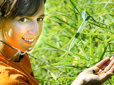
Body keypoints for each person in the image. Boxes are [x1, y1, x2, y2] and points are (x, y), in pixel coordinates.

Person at [0, 0, 113, 85]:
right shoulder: (9, 80)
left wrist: (80, 82)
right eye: (23, 19)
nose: (35, 31)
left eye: (39, 19)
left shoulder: (17, 54)